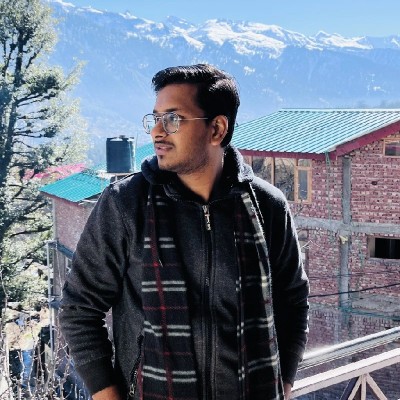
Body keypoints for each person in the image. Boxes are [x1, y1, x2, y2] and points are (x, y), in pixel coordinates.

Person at [59, 64, 309, 400]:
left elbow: (293, 302)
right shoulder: (126, 203)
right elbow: (79, 308)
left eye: (172, 119)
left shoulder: (267, 206)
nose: (156, 132)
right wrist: (106, 394)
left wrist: (284, 382)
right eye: (155, 118)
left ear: (217, 128)